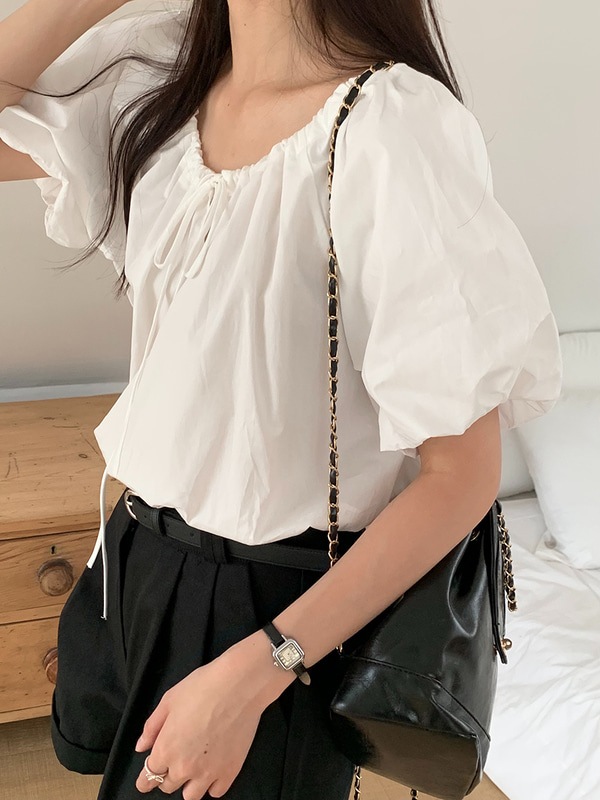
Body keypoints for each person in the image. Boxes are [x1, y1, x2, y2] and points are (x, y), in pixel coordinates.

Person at [0, 0, 562, 798]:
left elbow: (461, 476)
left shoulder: (391, 126)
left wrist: (266, 663)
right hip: (134, 558)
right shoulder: (160, 74)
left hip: (265, 614)